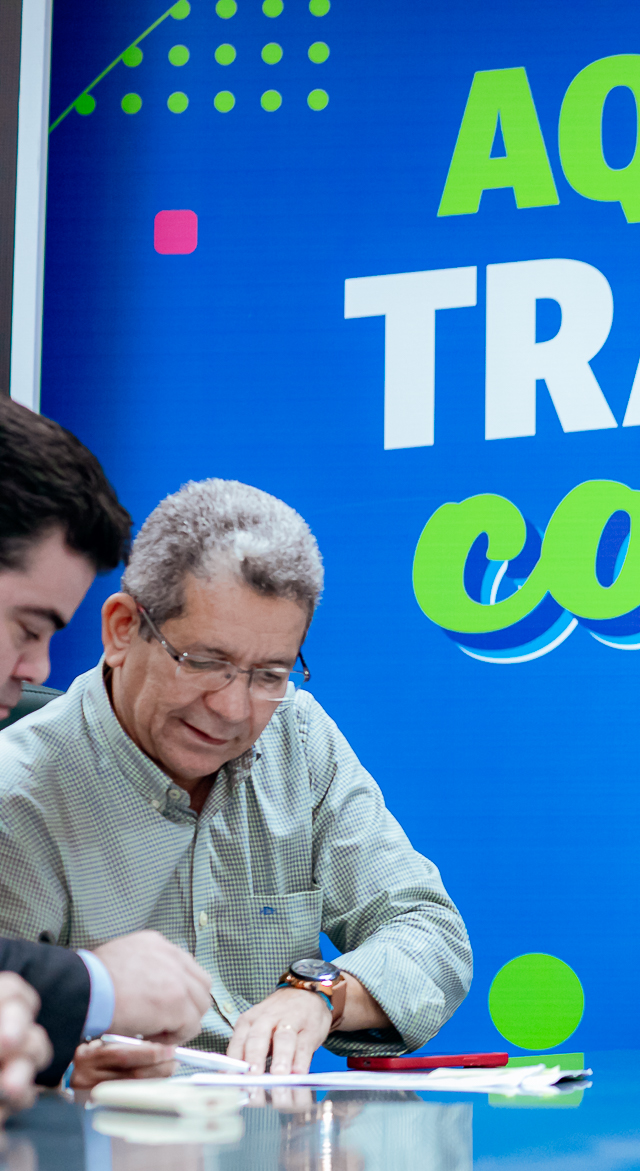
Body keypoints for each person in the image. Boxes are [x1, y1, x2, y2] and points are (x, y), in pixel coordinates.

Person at [0, 478, 472, 1079]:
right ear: (121, 629)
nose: (232, 709)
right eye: (205, 662)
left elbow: (431, 933)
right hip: (106, 1133)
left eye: (270, 674)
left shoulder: (298, 736)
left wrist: (320, 994)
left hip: (282, 1133)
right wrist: (70, 1077)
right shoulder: (17, 793)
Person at [0, 398, 213, 1103]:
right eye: (27, 627)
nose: (37, 669)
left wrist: (37, 1048)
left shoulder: (305, 738)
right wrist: (101, 984)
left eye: (268, 674)